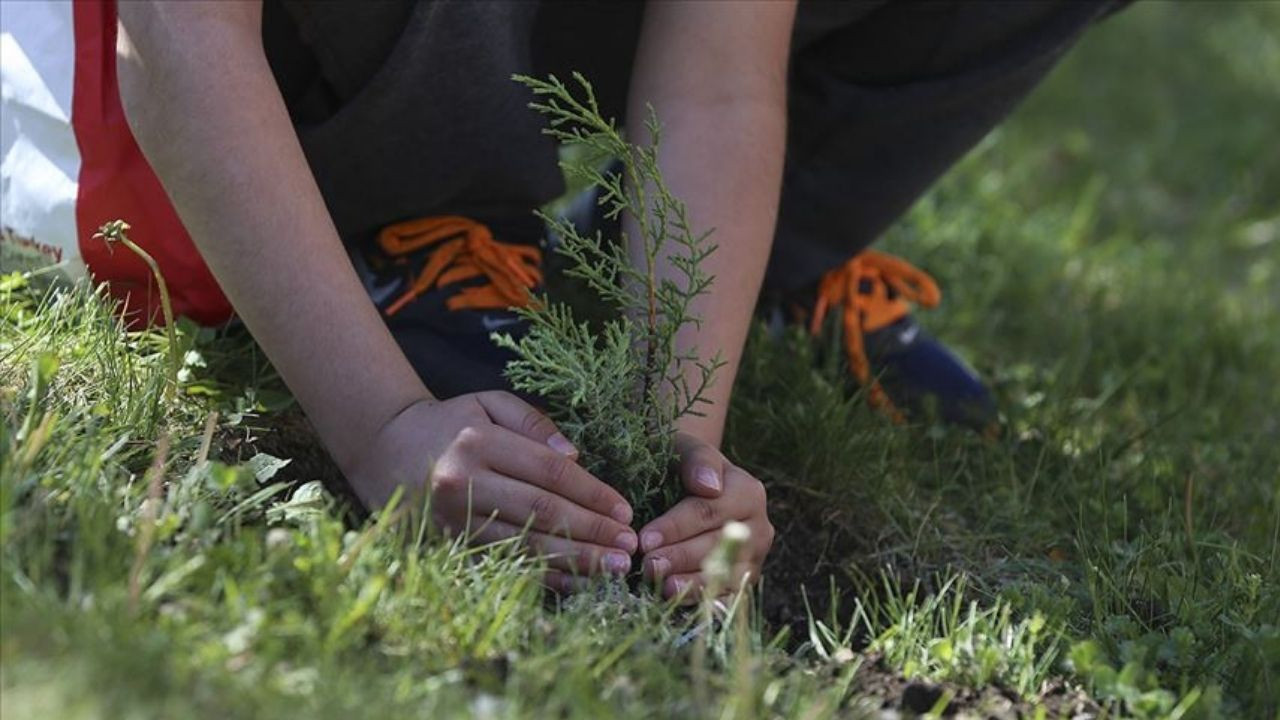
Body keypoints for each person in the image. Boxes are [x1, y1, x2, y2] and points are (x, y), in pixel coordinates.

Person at [114, 0, 1124, 600]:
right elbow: (177, 36)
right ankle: (410, 215)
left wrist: (677, 443)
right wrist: (383, 429)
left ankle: (725, 249)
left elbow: (719, 73)